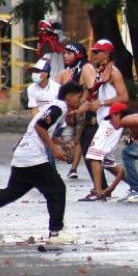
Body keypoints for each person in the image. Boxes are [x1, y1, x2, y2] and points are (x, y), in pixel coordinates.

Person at [0, 82, 84, 244]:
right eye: (79, 97)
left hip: (23, 155)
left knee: (11, 192)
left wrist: (61, 143)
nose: (80, 100)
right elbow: (39, 127)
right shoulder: (60, 107)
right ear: (69, 96)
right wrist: (54, 149)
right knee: (57, 188)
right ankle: (56, 232)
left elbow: (43, 130)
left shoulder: (55, 107)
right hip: (32, 157)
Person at [79, 39, 128, 201]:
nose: (93, 54)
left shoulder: (114, 72)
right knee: (108, 162)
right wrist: (77, 111)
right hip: (104, 121)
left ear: (106, 54)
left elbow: (124, 97)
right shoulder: (100, 72)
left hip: (112, 120)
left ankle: (98, 192)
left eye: (97, 52)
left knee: (94, 155)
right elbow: (92, 99)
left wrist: (101, 103)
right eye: (93, 51)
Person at [55, 42, 89, 179]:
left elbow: (88, 91)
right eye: (65, 53)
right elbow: (56, 94)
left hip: (81, 111)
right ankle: (69, 154)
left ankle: (74, 168)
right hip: (66, 113)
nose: (65, 56)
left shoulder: (85, 71)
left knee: (79, 140)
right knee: (66, 139)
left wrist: (81, 108)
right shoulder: (62, 74)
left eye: (69, 53)